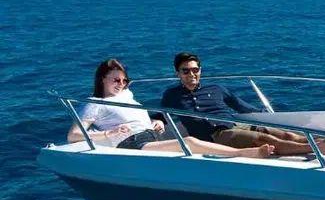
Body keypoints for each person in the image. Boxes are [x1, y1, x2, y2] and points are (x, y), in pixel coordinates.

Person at [67, 59, 275, 158]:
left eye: (124, 80)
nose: (121, 84)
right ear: (102, 79)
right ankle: (244, 153)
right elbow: (74, 136)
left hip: (150, 136)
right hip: (132, 144)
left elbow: (134, 118)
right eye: (115, 80)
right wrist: (108, 133)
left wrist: (155, 121)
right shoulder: (95, 103)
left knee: (190, 139)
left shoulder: (126, 96)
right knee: (190, 141)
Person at [160, 52, 325, 156]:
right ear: (178, 73)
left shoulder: (216, 88)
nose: (191, 74)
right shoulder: (172, 95)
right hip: (217, 135)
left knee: (285, 134)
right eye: (186, 71)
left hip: (237, 124)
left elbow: (240, 106)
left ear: (200, 71)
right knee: (265, 140)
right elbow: (161, 114)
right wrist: (158, 121)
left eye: (195, 70)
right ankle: (315, 149)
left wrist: (263, 115)